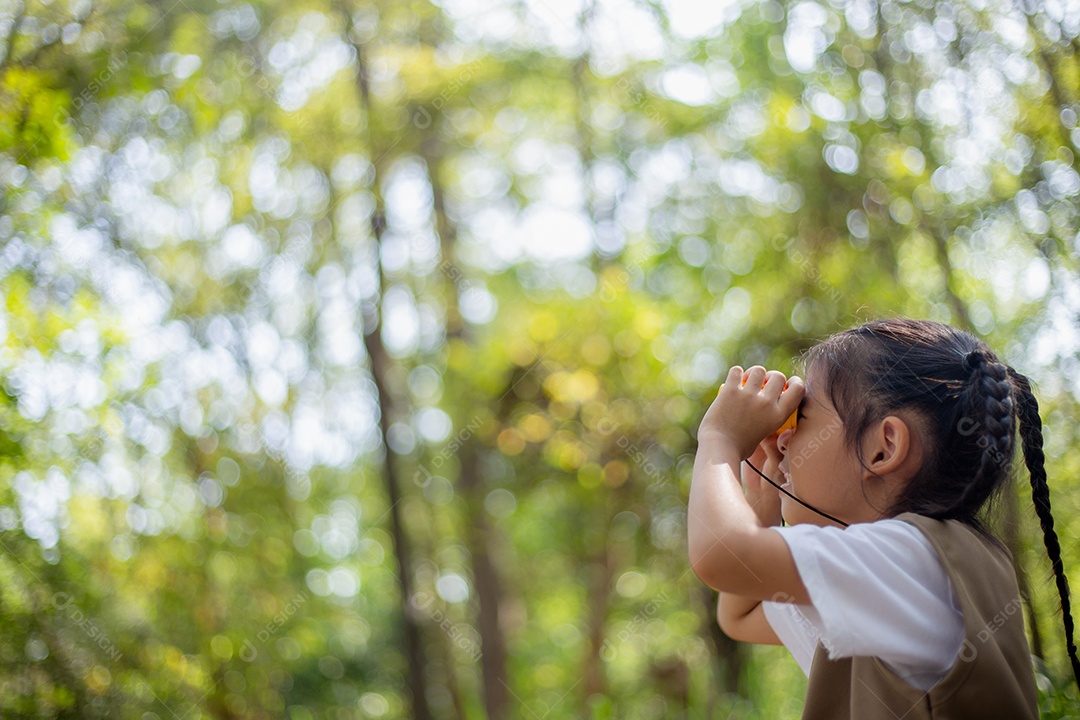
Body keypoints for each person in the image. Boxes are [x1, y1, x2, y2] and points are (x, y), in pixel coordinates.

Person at [687, 318, 1080, 719]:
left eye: (801, 417)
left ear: (884, 447)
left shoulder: (914, 560)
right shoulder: (898, 569)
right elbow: (741, 614)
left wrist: (719, 439)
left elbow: (722, 559)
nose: (782, 438)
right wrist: (765, 498)